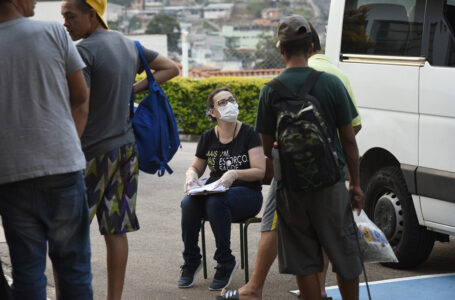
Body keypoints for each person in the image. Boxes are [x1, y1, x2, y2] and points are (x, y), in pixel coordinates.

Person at [219, 16, 363, 300]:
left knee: (304, 262)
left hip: (291, 191)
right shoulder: (332, 84)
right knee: (345, 257)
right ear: (311, 48)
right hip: (330, 184)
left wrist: (273, 175)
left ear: (281, 51)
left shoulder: (269, 91)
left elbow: (266, 145)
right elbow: (349, 139)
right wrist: (355, 184)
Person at [61, 0, 179, 299]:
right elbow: (171, 68)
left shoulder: (83, 52)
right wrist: (133, 88)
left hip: (90, 153)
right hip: (125, 150)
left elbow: (80, 107)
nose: (66, 24)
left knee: (69, 234)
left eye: (70, 16)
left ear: (92, 15)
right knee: (116, 230)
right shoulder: (129, 46)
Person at [0, 0, 92, 299]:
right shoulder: (53, 32)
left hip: (10, 173)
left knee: (27, 273)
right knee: (74, 270)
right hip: (62, 166)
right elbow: (80, 97)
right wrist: (67, 145)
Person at [179, 88, 265, 291]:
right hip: (215, 193)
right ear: (212, 112)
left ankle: (225, 261)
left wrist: (234, 173)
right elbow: (197, 166)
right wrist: (191, 175)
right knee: (188, 203)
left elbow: (260, 171)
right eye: (222, 103)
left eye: (231, 100)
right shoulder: (208, 137)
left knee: (217, 201)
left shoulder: (249, 133)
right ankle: (191, 260)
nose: (229, 104)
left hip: (248, 194)